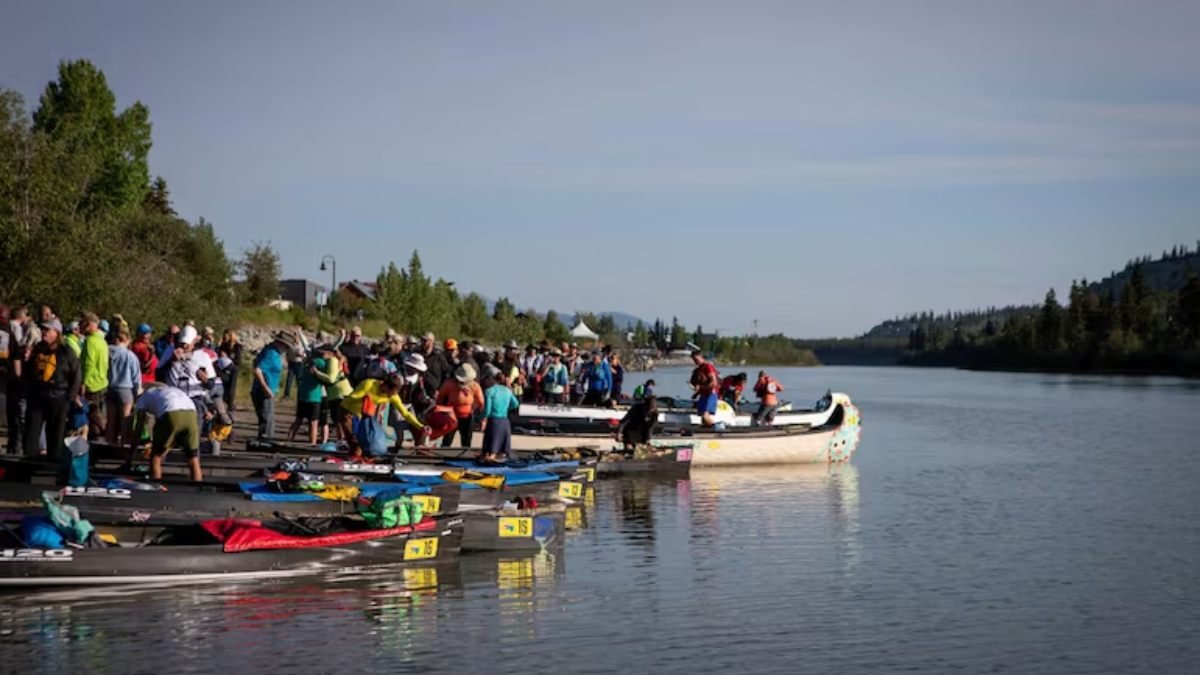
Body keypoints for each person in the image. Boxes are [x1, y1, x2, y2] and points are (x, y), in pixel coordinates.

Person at [23, 318, 81, 465]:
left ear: (57, 333)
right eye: (43, 330)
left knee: (56, 432)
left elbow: (76, 375)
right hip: (37, 395)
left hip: (59, 396)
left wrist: (70, 397)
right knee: (32, 429)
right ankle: (29, 460)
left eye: (47, 330)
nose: (44, 333)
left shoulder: (66, 352)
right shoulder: (38, 349)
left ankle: (54, 462)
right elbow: (28, 370)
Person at [339, 373, 430, 457]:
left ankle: (358, 460)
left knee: (364, 443)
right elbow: (353, 397)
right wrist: (364, 398)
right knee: (354, 442)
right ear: (385, 385)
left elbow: (405, 413)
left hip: (361, 416)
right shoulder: (369, 384)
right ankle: (353, 462)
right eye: (391, 392)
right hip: (347, 411)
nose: (391, 395)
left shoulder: (393, 396)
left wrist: (420, 426)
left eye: (394, 393)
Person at [131, 383, 203, 481]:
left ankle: (155, 484)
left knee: (156, 456)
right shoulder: (168, 390)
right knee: (193, 457)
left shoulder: (143, 397)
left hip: (171, 412)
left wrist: (130, 457)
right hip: (191, 413)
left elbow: (139, 426)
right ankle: (198, 487)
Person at [251, 332, 291, 441]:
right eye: (286, 346)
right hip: (263, 391)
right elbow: (258, 370)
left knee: (266, 419)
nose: (286, 349)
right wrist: (265, 387)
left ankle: (263, 440)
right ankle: (265, 442)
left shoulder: (270, 351)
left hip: (264, 389)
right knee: (267, 419)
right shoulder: (271, 353)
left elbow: (255, 362)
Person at [105, 330, 141, 446]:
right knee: (125, 419)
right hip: (125, 389)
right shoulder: (130, 355)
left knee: (111, 421)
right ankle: (124, 444)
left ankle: (110, 443)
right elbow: (136, 376)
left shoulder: (106, 352)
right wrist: (137, 392)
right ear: (126, 340)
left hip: (110, 388)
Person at [312, 342, 352, 444]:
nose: (322, 355)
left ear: (330, 353)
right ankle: (342, 440)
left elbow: (331, 379)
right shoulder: (333, 360)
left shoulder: (332, 360)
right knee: (338, 419)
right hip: (336, 393)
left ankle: (343, 441)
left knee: (340, 419)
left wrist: (317, 373)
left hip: (340, 393)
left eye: (323, 353)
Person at [436, 363, 483, 448]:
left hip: (467, 416)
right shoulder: (449, 384)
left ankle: (465, 457)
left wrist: (474, 410)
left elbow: (481, 402)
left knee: (466, 440)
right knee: (447, 439)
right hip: (451, 416)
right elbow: (440, 399)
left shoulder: (475, 386)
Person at [287, 346, 327, 446]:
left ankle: (289, 440)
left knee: (298, 420)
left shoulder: (306, 363)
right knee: (314, 422)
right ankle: (312, 444)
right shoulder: (321, 362)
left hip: (302, 395)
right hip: (314, 395)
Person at [79, 313, 109, 438]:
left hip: (91, 383)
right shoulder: (102, 341)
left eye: (83, 324)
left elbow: (88, 364)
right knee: (98, 411)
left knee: (92, 412)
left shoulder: (90, 341)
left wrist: (83, 382)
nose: (81, 327)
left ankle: (103, 431)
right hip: (102, 381)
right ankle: (98, 434)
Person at [480, 368, 521, 461]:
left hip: (494, 419)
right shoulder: (507, 391)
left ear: (493, 379)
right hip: (504, 419)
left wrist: (484, 418)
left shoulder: (489, 391)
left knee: (492, 440)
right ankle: (501, 454)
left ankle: (491, 454)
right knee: (503, 441)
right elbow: (515, 404)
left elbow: (487, 409)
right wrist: (507, 408)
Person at [397, 353, 438, 446]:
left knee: (417, 424)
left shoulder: (419, 378)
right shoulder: (399, 375)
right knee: (398, 427)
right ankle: (398, 444)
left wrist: (428, 400)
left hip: (411, 405)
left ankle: (420, 445)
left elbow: (422, 392)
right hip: (397, 404)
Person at [689, 350, 721, 427]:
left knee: (705, 415)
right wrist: (697, 393)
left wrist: (701, 387)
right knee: (702, 417)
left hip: (711, 393)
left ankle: (717, 427)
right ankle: (706, 430)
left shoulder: (708, 367)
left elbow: (714, 383)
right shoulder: (699, 369)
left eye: (696, 359)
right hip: (703, 394)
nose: (695, 361)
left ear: (701, 357)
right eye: (694, 360)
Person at [217, 329, 242, 411]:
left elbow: (238, 360)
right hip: (223, 368)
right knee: (224, 386)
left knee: (231, 387)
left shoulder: (236, 346)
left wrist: (228, 357)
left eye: (226, 335)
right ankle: (228, 402)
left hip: (233, 368)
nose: (224, 337)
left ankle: (230, 405)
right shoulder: (223, 345)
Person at [131, 324, 158, 389]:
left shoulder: (141, 345)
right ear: (140, 335)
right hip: (145, 381)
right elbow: (144, 368)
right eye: (147, 334)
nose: (149, 336)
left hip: (149, 379)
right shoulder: (141, 348)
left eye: (149, 333)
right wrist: (152, 353)